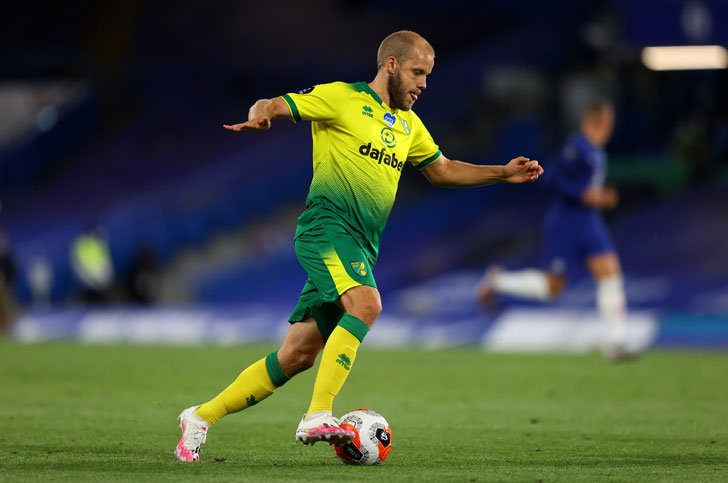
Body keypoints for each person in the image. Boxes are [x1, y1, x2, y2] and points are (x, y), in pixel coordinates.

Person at [175, 30, 543, 462]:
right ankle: (317, 415)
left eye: (428, 75)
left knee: (296, 356)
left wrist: (500, 172)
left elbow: (442, 170)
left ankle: (199, 417)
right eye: (417, 72)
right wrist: (262, 114)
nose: (424, 83)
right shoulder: (342, 98)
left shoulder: (408, 125)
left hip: (361, 246)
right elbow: (275, 103)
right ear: (391, 65)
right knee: (367, 304)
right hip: (326, 229)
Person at [477, 100, 629, 360]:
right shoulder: (577, 146)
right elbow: (552, 177)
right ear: (596, 121)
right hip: (567, 223)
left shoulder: (595, 151)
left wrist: (600, 197)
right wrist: (585, 194)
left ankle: (616, 343)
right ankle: (497, 281)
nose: (609, 129)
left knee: (611, 274)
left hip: (589, 222)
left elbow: (587, 190)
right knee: (552, 288)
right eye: (607, 123)